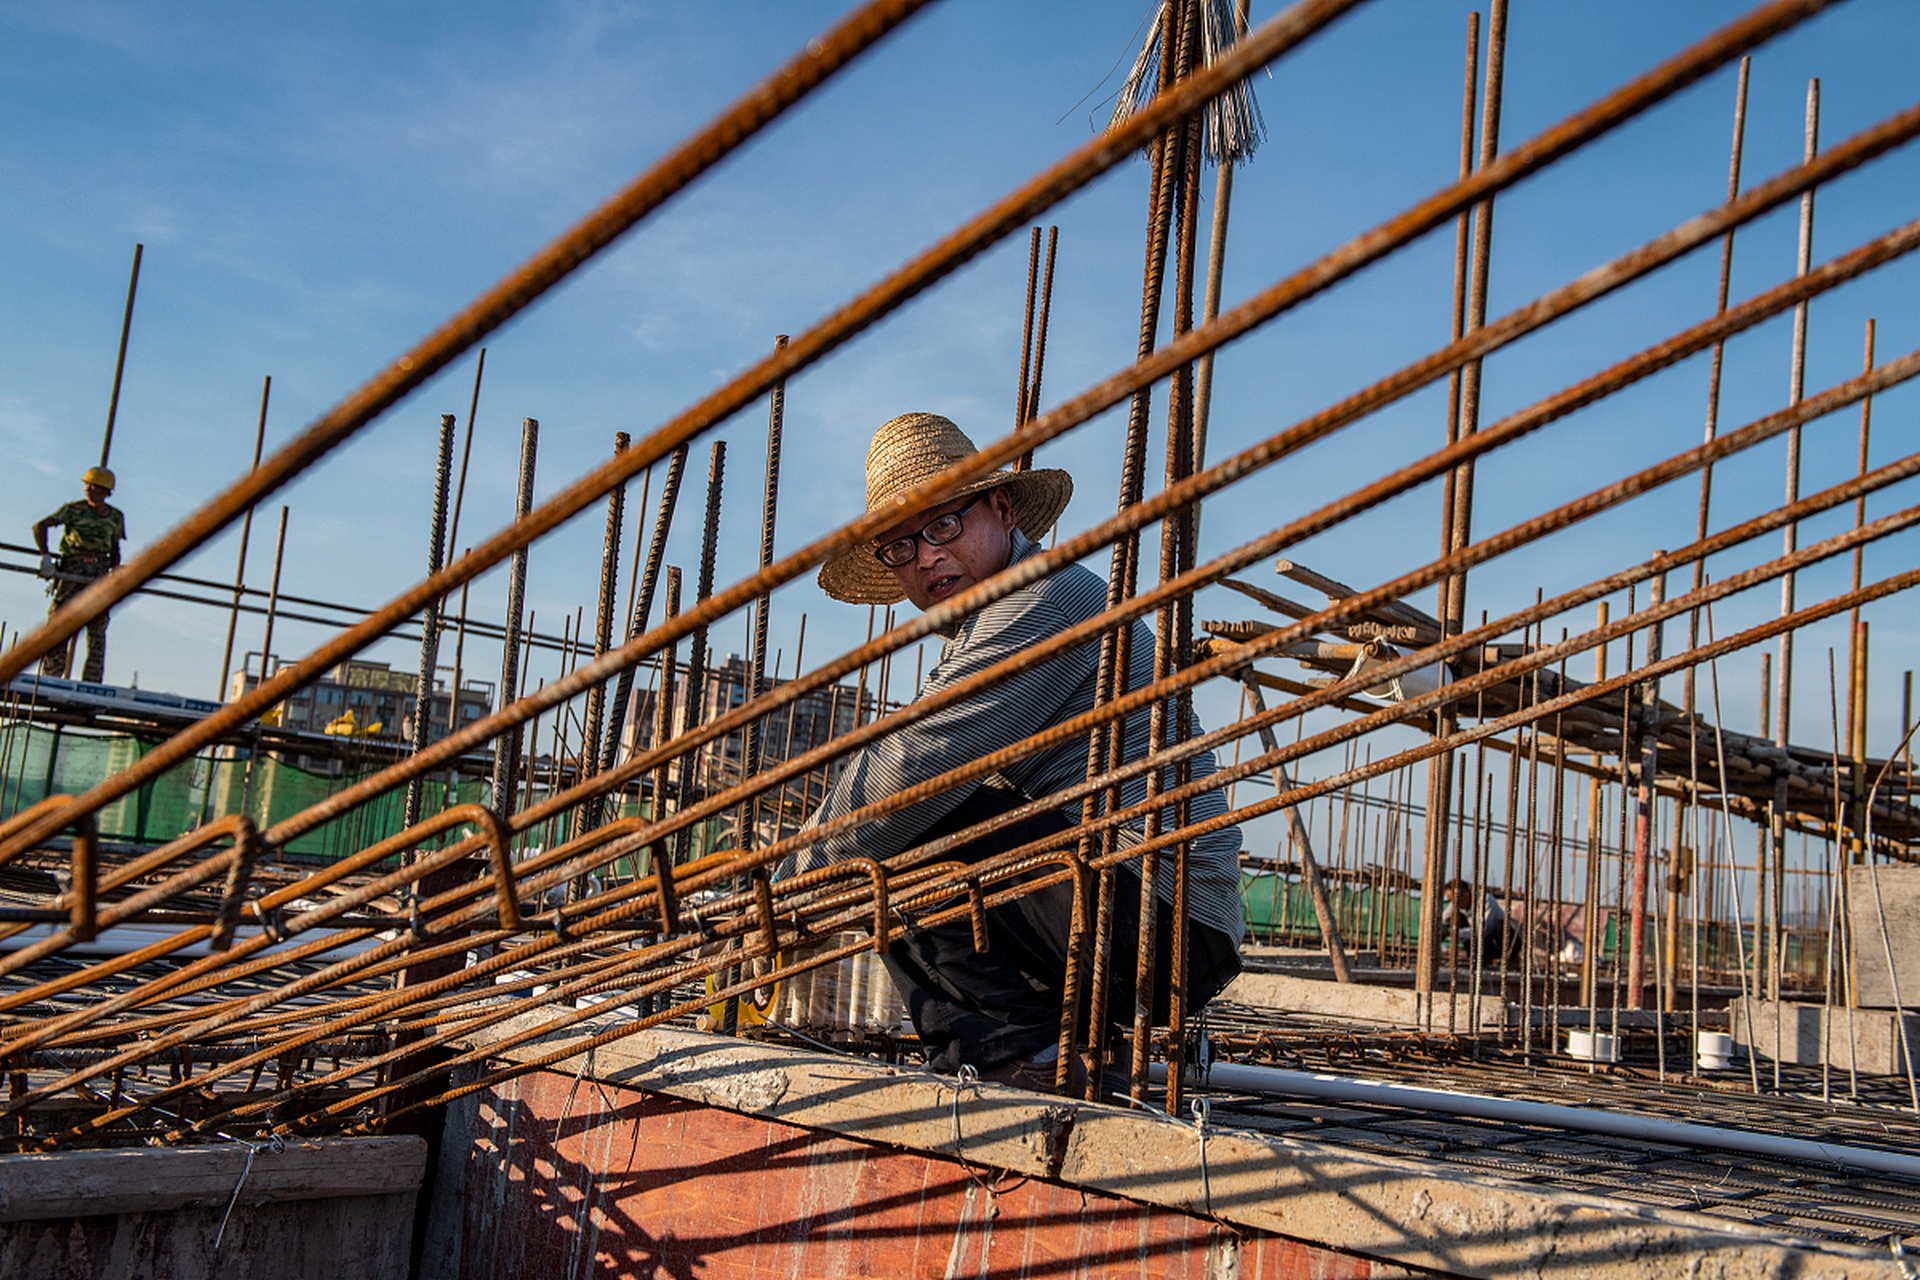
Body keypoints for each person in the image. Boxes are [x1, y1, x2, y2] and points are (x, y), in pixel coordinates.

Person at [783, 412, 1244, 1093]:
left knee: (911, 825)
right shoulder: (1001, 621)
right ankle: (1073, 1050)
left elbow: (905, 771)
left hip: (1161, 921)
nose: (927, 557)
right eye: (901, 548)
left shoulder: (1046, 601)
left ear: (1002, 509)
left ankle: (1012, 1057)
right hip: (1141, 918)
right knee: (920, 819)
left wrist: (792, 890)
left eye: (943, 526)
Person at [32, 466, 126, 683]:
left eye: (94, 486)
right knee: (59, 624)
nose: (88, 489)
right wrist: (45, 557)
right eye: (87, 485)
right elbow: (40, 527)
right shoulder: (73, 510)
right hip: (73, 568)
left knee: (97, 627)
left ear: (105, 491)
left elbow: (114, 548)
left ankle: (91, 683)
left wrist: (115, 571)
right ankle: (51, 679)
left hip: (99, 571)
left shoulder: (115, 517)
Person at [1441, 877, 1516, 967]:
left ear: (1465, 893)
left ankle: (1506, 959)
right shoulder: (1456, 905)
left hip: (1501, 943)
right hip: (1485, 944)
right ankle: (1474, 956)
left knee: (1500, 926)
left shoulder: (1485, 900)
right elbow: (1444, 919)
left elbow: (1483, 930)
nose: (1453, 904)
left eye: (1454, 900)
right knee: (1458, 918)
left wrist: (1450, 933)